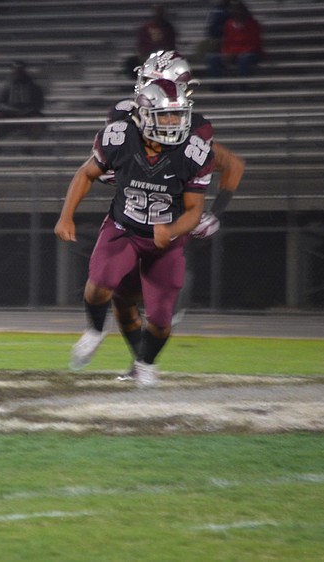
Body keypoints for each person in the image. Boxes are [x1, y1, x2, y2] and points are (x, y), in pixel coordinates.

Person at [54, 79, 215, 387]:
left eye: (178, 115)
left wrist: (171, 229)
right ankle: (94, 330)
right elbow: (85, 173)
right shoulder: (118, 137)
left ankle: (146, 364)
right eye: (165, 116)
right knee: (98, 286)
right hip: (123, 227)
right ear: (142, 115)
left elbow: (194, 211)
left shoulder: (193, 151)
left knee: (161, 319)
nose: (173, 122)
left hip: (165, 240)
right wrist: (66, 217)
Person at [104, 50, 245, 380]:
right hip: (133, 219)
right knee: (121, 296)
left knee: (160, 304)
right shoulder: (124, 114)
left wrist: (213, 213)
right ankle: (140, 362)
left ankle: (143, 363)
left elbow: (233, 165)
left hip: (170, 224)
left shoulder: (195, 129)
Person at [207, 0, 263, 86]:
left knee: (244, 59)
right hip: (233, 53)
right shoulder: (229, 25)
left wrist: (235, 53)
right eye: (233, 11)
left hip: (250, 53)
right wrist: (226, 53)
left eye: (238, 11)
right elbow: (226, 43)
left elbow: (253, 45)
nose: (236, 13)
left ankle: (244, 86)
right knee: (213, 58)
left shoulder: (253, 24)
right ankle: (217, 88)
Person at [0, 61, 46, 142]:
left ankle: (30, 148)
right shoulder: (5, 86)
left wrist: (27, 111)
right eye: (16, 70)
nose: (18, 72)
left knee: (37, 121)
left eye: (20, 70)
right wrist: (12, 111)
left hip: (29, 115)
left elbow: (39, 104)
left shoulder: (34, 87)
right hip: (9, 115)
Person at [123, 4, 177, 79]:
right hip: (147, 56)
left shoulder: (168, 28)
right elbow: (141, 43)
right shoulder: (146, 27)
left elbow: (171, 44)